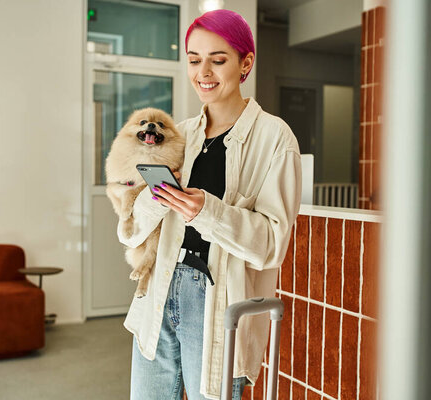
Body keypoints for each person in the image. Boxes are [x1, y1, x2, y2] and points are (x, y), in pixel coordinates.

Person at [119, 9, 302, 400]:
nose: (204, 71)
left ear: (245, 63)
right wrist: (161, 196)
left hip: (215, 301)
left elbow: (272, 245)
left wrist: (207, 211)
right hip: (159, 289)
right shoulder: (178, 133)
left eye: (218, 60)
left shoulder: (275, 138)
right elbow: (131, 228)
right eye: (194, 59)